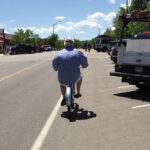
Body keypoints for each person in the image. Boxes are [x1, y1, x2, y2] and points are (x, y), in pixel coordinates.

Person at [52, 37, 88, 106]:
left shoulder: (59, 53)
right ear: (72, 44)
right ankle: (78, 92)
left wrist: (56, 68)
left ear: (64, 44)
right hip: (75, 76)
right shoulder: (78, 52)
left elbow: (54, 62)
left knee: (62, 84)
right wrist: (84, 65)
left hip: (62, 77)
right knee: (80, 77)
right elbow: (84, 61)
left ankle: (64, 97)